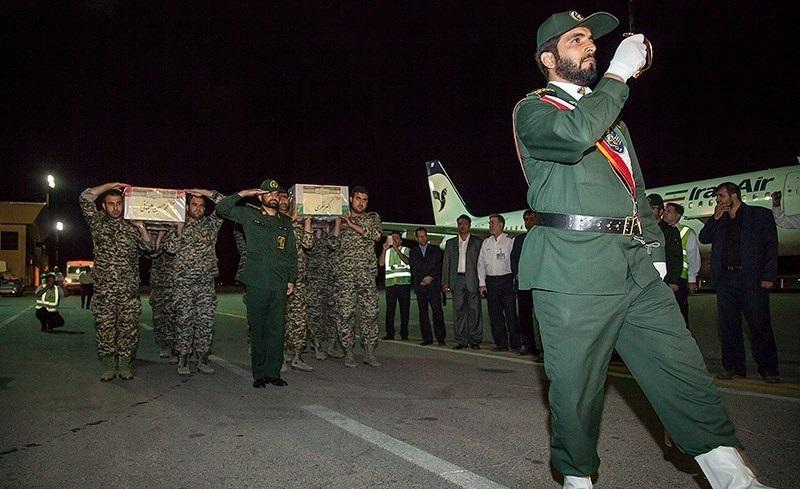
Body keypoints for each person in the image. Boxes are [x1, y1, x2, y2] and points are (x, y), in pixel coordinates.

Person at [513, 11, 771, 489]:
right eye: (577, 39)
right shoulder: (533, 110)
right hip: (573, 266)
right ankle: (577, 481)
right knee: (576, 390)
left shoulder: (612, 121)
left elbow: (637, 192)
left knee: (681, 368)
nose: (591, 45)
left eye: (592, 39)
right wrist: (617, 74)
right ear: (549, 58)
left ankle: (736, 480)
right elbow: (573, 137)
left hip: (633, 265)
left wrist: (654, 252)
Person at [216, 179, 297, 387]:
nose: (273, 197)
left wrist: (291, 279)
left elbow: (291, 253)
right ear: (260, 197)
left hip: (279, 282)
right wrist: (242, 194)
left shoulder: (285, 221)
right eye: (268, 193)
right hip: (257, 281)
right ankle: (260, 374)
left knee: (277, 330)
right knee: (258, 329)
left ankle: (273, 372)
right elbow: (222, 208)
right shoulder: (249, 214)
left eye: (276, 194)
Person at [699, 182, 780, 384]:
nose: (718, 200)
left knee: (759, 325)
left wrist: (768, 276)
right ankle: (734, 368)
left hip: (751, 279)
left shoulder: (759, 215)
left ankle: (769, 369)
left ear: (734, 196)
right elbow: (704, 237)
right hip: (725, 280)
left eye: (721, 196)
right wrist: (715, 218)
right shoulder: (720, 218)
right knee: (728, 327)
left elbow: (771, 246)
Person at [80, 182, 153, 381]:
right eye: (111, 204)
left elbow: (149, 249)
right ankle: (109, 366)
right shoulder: (97, 222)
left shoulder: (132, 224)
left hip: (128, 290)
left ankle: (125, 365)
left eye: (119, 203)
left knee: (128, 329)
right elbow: (85, 197)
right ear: (104, 206)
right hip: (104, 290)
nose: (115, 208)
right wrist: (112, 185)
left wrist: (141, 227)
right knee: (105, 328)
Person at [162, 189, 224, 376]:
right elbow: (170, 249)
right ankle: (183, 360)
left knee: (205, 321)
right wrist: (179, 229)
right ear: (187, 207)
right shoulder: (176, 224)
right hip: (184, 284)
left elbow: (224, 203)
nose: (198, 208)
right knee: (184, 321)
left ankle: (203, 359)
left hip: (205, 283)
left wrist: (204, 192)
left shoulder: (211, 224)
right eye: (194, 205)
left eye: (201, 206)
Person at [334, 186, 383, 367]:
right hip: (345, 276)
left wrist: (351, 225)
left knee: (370, 313)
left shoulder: (372, 218)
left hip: (366, 275)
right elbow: (332, 243)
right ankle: (348, 352)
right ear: (351, 199)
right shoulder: (340, 218)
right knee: (345, 314)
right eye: (358, 199)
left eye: (365, 200)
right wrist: (339, 224)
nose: (361, 203)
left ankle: (369, 353)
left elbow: (376, 235)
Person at [278, 190, 315, 373]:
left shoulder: (298, 224)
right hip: (278, 279)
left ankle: (297, 357)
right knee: (279, 319)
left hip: (298, 280)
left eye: (286, 198)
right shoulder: (273, 221)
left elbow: (308, 244)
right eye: (280, 198)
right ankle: (280, 356)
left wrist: (307, 221)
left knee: (299, 319)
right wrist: (292, 219)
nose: (283, 201)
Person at [477, 214, 520, 352]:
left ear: (501, 224)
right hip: (491, 282)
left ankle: (515, 344)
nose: (490, 225)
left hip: (506, 281)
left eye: (492, 223)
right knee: (495, 315)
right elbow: (481, 264)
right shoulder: (486, 243)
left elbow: (514, 261)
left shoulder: (509, 242)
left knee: (510, 314)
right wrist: (482, 283)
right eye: (489, 223)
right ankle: (501, 344)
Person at [442, 214, 482, 350]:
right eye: (460, 224)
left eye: (465, 223)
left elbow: (481, 263)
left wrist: (482, 281)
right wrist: (445, 282)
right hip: (457, 280)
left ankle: (475, 340)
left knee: (474, 311)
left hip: (472, 280)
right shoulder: (451, 243)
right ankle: (461, 340)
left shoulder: (477, 242)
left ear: (469, 226)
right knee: (458, 311)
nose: (462, 226)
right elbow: (446, 263)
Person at [306, 220, 343, 359]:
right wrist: (316, 231)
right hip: (315, 282)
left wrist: (334, 226)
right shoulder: (310, 238)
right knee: (315, 315)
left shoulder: (333, 238)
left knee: (333, 315)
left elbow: (335, 245)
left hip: (332, 281)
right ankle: (317, 345)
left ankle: (331, 346)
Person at [510, 210, 542, 360]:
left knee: (541, 318)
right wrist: (516, 273)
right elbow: (513, 258)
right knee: (524, 317)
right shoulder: (519, 239)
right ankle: (528, 345)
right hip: (523, 285)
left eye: (531, 219)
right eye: (526, 219)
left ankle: (544, 347)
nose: (528, 222)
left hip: (539, 284)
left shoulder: (543, 238)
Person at [663, 202, 701, 327]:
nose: (665, 213)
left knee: (680, 313)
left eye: (669, 211)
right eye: (665, 210)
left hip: (680, 279)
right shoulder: (660, 231)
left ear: (678, 215)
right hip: (665, 278)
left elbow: (693, 256)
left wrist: (692, 279)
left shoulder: (686, 232)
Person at [409, 227, 446, 346]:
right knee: (423, 313)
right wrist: (423, 278)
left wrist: (431, 277)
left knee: (437, 312)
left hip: (433, 285)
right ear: (416, 238)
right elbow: (414, 268)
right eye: (420, 236)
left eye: (424, 236)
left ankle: (441, 338)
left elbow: (438, 265)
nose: (423, 238)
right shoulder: (413, 251)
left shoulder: (435, 250)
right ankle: (427, 338)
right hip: (421, 286)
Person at [379, 231, 412, 341]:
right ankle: (390, 333)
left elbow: (407, 261)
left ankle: (404, 333)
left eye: (396, 238)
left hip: (404, 283)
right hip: (391, 284)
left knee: (404, 310)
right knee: (390, 310)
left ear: (401, 241)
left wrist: (396, 249)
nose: (393, 240)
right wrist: (384, 249)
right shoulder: (387, 252)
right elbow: (381, 263)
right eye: (392, 238)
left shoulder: (405, 249)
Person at [647, 194, 683, 295]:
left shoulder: (669, 231)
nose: (648, 211)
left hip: (664, 281)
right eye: (646, 208)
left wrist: (673, 281)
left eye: (653, 208)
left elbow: (675, 257)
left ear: (661, 211)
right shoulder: (640, 230)